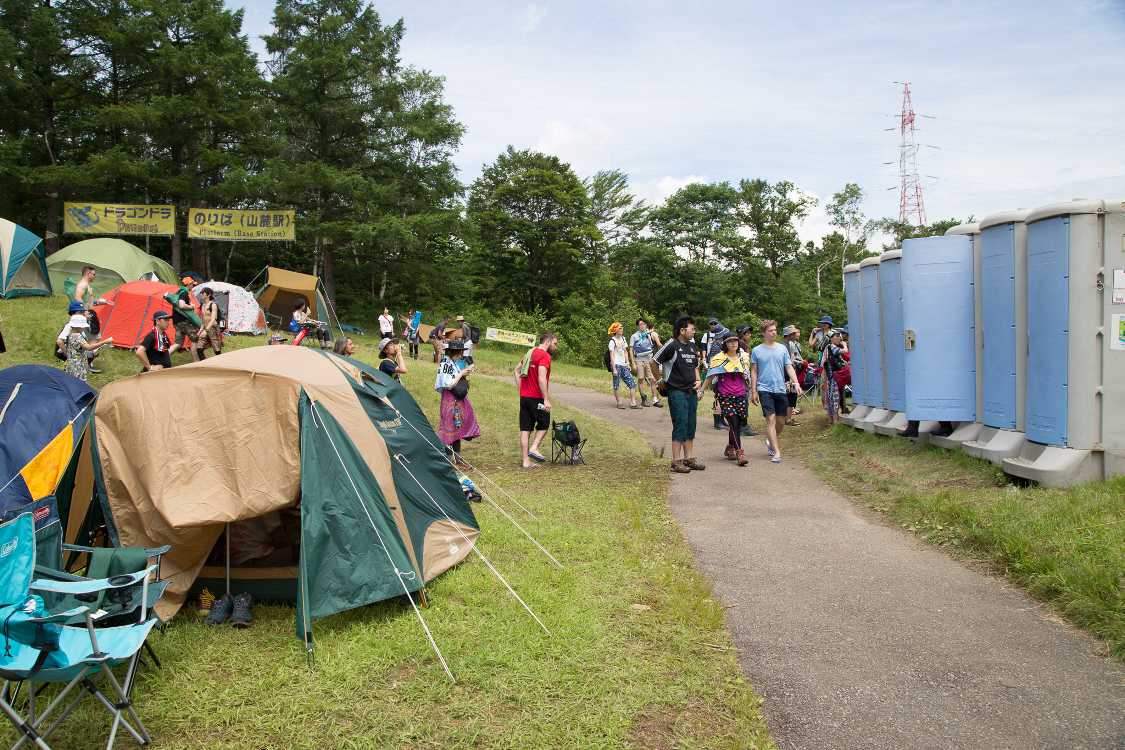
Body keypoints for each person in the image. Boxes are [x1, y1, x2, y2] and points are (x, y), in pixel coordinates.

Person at [654, 316, 704, 473]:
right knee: (680, 424)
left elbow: (695, 366)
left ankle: (689, 458)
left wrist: (698, 380)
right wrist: (660, 380)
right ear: (682, 330)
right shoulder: (672, 344)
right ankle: (676, 461)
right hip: (676, 391)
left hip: (691, 391)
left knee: (691, 424)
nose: (694, 331)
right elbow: (653, 362)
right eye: (692, 329)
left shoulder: (691, 346)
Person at [751, 320, 802, 464]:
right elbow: (754, 371)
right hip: (764, 389)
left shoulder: (782, 348)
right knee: (771, 419)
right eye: (770, 330)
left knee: (781, 422)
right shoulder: (756, 350)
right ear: (763, 333)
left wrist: (796, 382)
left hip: (780, 388)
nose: (774, 332)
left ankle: (770, 441)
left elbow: (789, 367)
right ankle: (776, 451)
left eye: (775, 330)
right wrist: (753, 390)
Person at [702, 334, 751, 466]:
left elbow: (748, 375)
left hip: (741, 395)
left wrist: (753, 390)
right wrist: (701, 390)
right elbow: (710, 375)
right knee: (733, 423)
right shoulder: (719, 359)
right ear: (725, 344)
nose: (733, 343)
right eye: (729, 342)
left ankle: (730, 447)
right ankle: (740, 453)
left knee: (738, 424)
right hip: (725, 396)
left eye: (735, 341)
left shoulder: (744, 357)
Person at [515, 331, 558, 469]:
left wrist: (521, 390)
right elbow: (541, 378)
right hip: (536, 398)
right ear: (548, 341)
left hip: (525, 397)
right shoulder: (544, 356)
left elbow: (516, 370)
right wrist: (546, 399)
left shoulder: (530, 353)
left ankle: (525, 461)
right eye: (555, 344)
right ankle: (534, 447)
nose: (556, 347)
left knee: (525, 429)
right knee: (544, 423)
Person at [434, 338, 480, 463]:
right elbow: (449, 384)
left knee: (456, 426)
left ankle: (458, 457)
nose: (461, 354)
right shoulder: (446, 364)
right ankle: (448, 458)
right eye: (461, 351)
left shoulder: (452, 362)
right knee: (448, 427)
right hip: (449, 399)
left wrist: (465, 373)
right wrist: (462, 373)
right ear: (458, 352)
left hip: (456, 399)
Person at [60, 313, 111, 382]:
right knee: (79, 383)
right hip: (78, 365)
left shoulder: (70, 333)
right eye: (83, 326)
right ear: (79, 327)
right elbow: (89, 348)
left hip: (71, 362)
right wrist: (104, 342)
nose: (84, 327)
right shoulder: (78, 336)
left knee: (70, 381)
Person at [704, 318, 732, 430]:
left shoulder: (720, 344)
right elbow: (713, 362)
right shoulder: (717, 345)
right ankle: (717, 421)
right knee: (718, 398)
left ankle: (721, 419)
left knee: (722, 398)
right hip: (717, 375)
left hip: (723, 375)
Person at [629, 318, 663, 407]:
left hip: (649, 359)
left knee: (653, 379)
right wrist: (632, 363)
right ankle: (643, 397)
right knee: (640, 378)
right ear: (637, 326)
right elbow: (631, 349)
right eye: (640, 324)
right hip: (639, 359)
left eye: (644, 324)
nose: (642, 326)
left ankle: (655, 400)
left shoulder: (648, 334)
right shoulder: (634, 336)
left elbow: (654, 343)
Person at [607, 321, 639, 409]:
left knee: (632, 383)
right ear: (615, 330)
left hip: (624, 365)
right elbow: (612, 355)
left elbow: (625, 351)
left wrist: (627, 363)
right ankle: (619, 403)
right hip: (616, 365)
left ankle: (633, 403)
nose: (622, 329)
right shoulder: (612, 341)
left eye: (622, 328)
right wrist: (614, 369)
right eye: (620, 328)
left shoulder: (623, 339)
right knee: (616, 385)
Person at [171, 276, 201, 361]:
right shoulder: (184, 293)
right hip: (183, 322)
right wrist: (191, 306)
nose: (193, 286)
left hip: (177, 322)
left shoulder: (179, 292)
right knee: (195, 338)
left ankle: (162, 358)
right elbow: (181, 305)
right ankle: (197, 362)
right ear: (189, 284)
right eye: (192, 284)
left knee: (178, 343)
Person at [782, 325, 806, 426]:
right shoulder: (785, 345)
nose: (795, 335)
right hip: (786, 375)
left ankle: (788, 418)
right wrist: (800, 362)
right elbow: (789, 361)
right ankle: (786, 419)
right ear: (789, 334)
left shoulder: (789, 344)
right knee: (789, 396)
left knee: (791, 396)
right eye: (793, 333)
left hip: (790, 373)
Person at [196, 287, 222, 359]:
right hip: (205, 328)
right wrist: (201, 329)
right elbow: (203, 319)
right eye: (201, 293)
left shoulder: (213, 305)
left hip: (213, 328)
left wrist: (206, 330)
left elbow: (213, 319)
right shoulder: (203, 305)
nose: (201, 294)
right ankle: (204, 364)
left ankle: (221, 364)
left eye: (203, 293)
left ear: (209, 294)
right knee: (199, 348)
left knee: (216, 349)